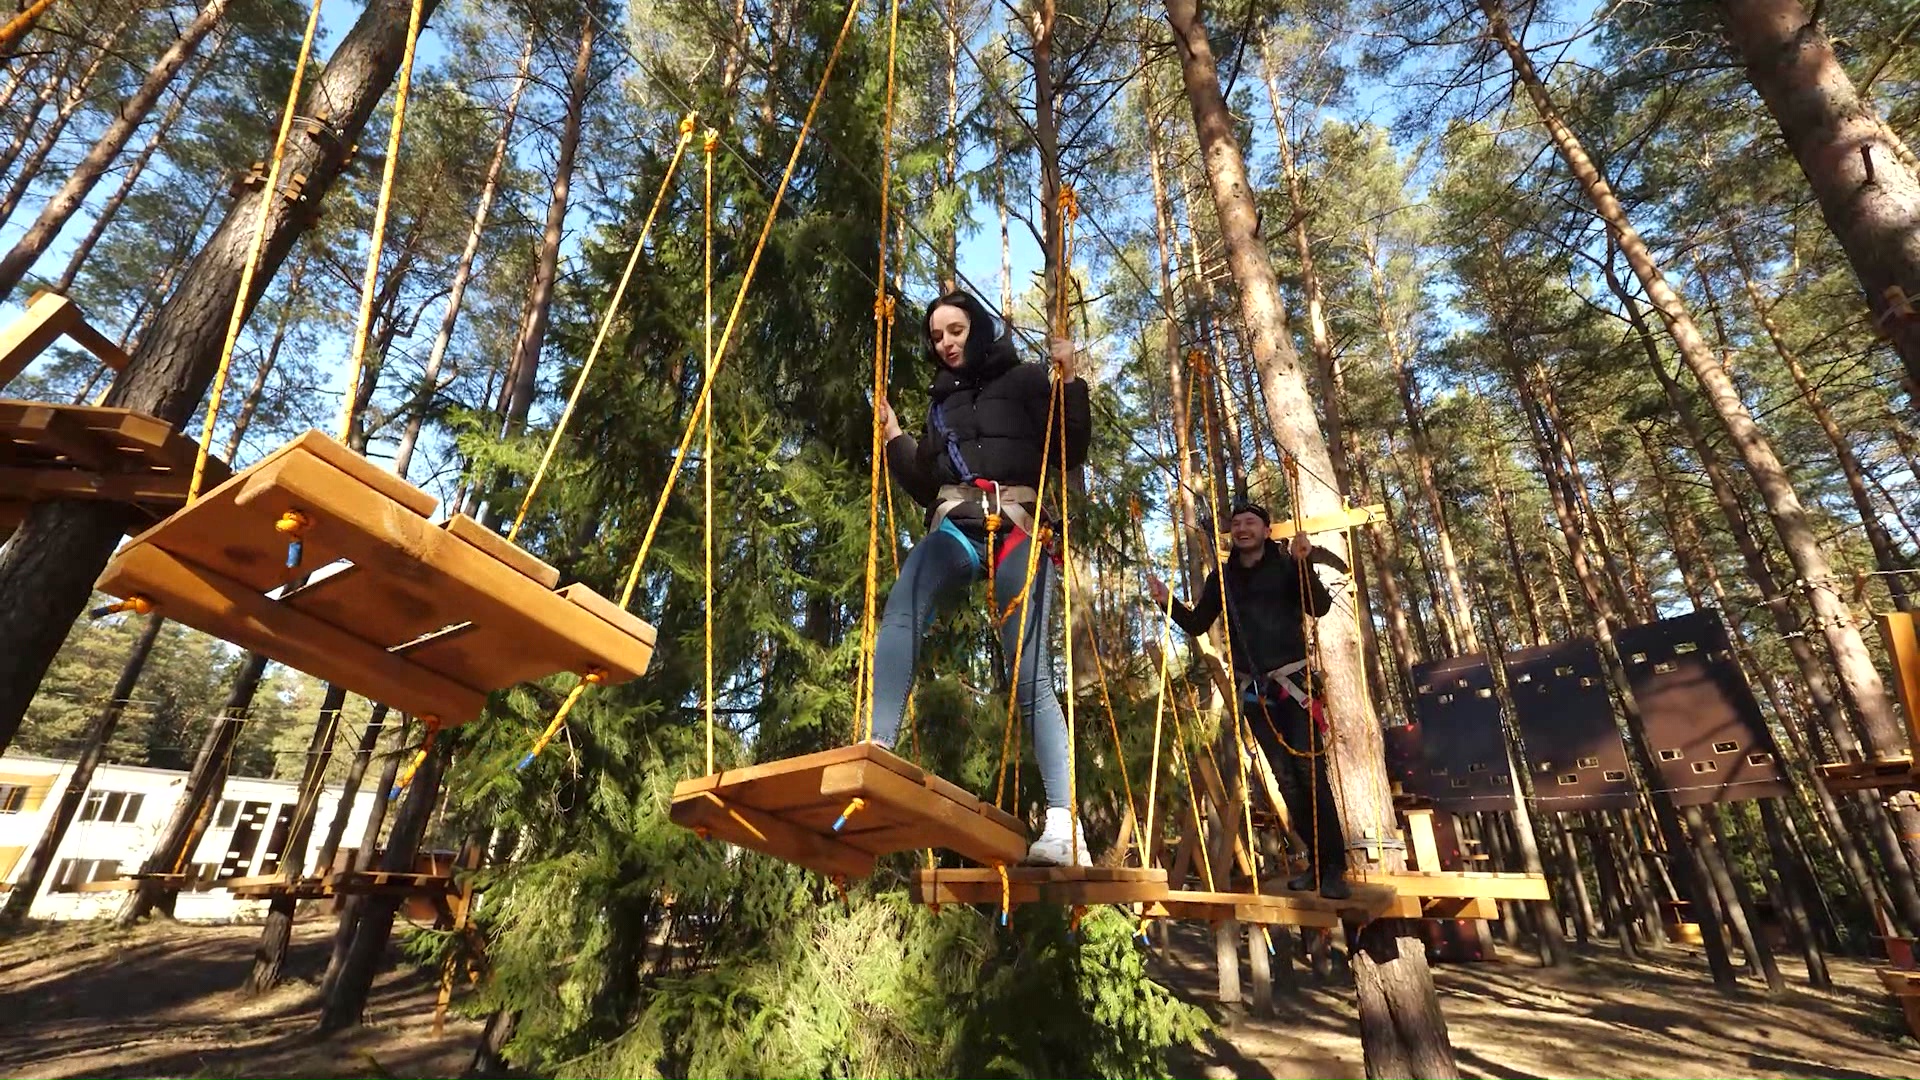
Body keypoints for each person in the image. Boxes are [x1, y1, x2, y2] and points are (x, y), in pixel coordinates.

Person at [868, 289, 1093, 866]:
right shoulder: (939, 406)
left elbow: (1068, 447)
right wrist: (896, 437)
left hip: (1018, 524)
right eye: (937, 335)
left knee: (1027, 667)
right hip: (959, 529)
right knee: (904, 599)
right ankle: (877, 746)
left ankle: (1065, 826)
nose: (946, 343)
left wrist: (1068, 380)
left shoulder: (1022, 381)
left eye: (956, 330)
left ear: (979, 328)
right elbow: (927, 481)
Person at [1147, 503, 1351, 899]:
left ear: (1266, 530)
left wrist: (1304, 564)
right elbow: (1197, 623)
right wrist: (1165, 601)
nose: (1242, 529)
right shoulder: (1221, 579)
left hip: (1292, 685)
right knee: (1287, 782)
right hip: (1255, 691)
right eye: (1236, 524)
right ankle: (1316, 862)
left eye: (1250, 523)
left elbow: (1319, 607)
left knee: (1311, 777)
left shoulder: (1287, 566)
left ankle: (1335, 867)